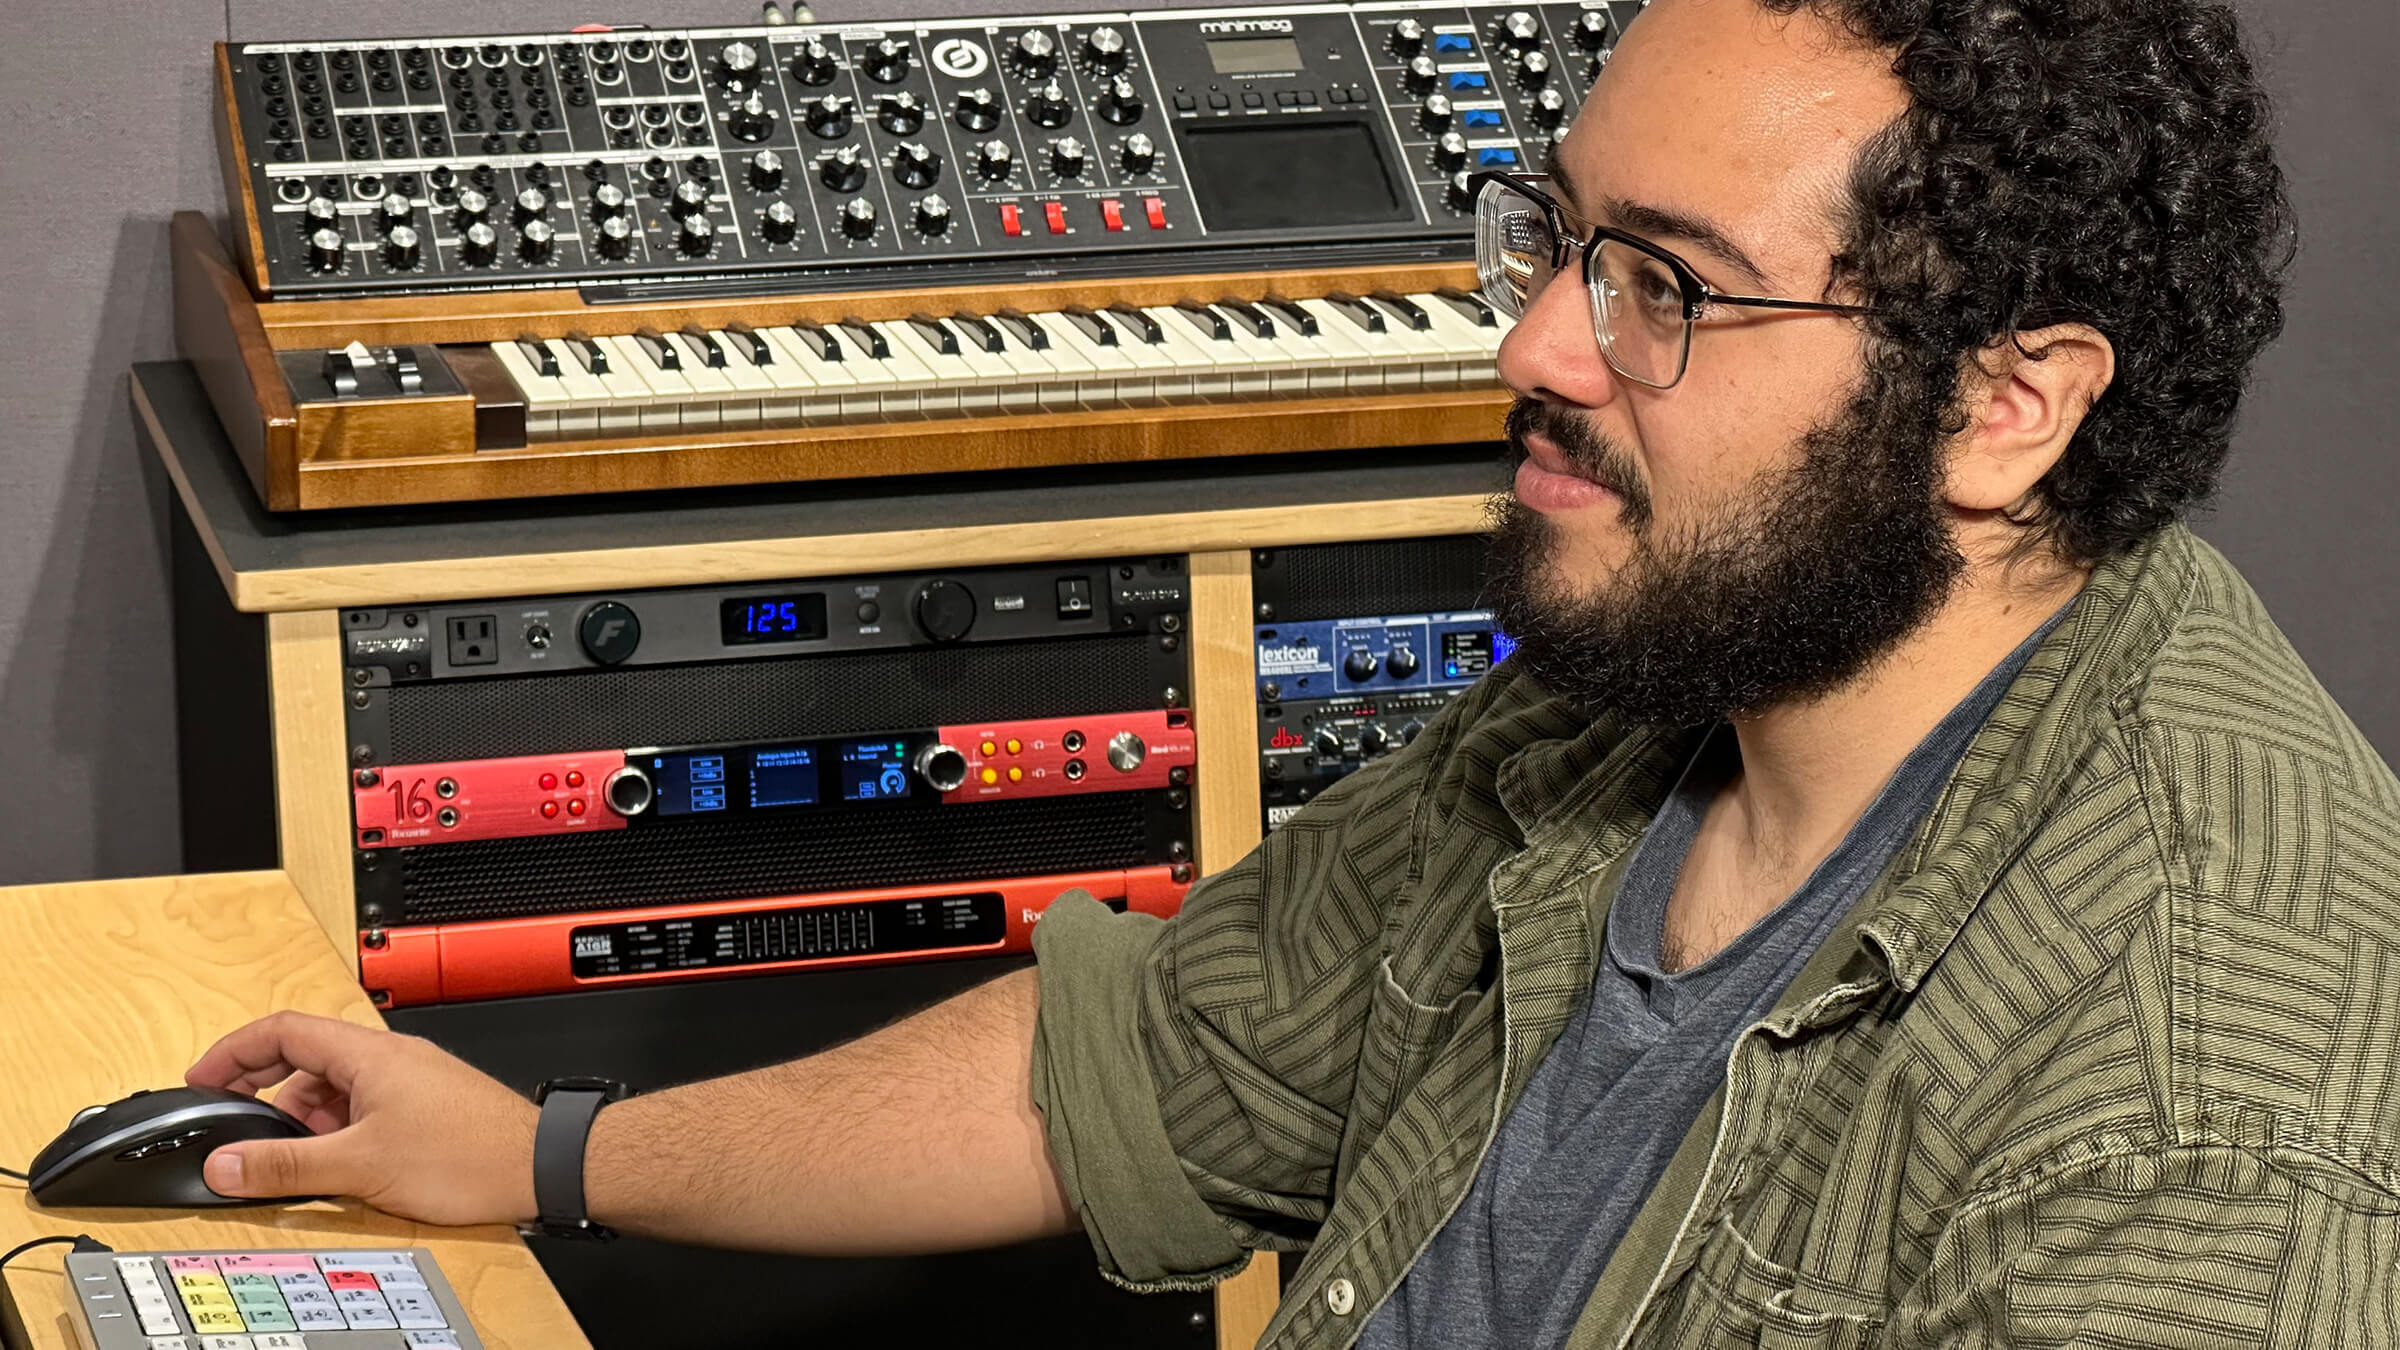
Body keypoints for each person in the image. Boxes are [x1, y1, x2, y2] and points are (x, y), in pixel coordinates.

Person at [189, 0, 2400, 1342]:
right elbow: (1137, 1065)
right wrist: (547, 1153)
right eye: (1557, 237)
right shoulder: (1651, 707)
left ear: (2010, 410)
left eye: (1670, 295)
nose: (1533, 346)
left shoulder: (2206, 1110)